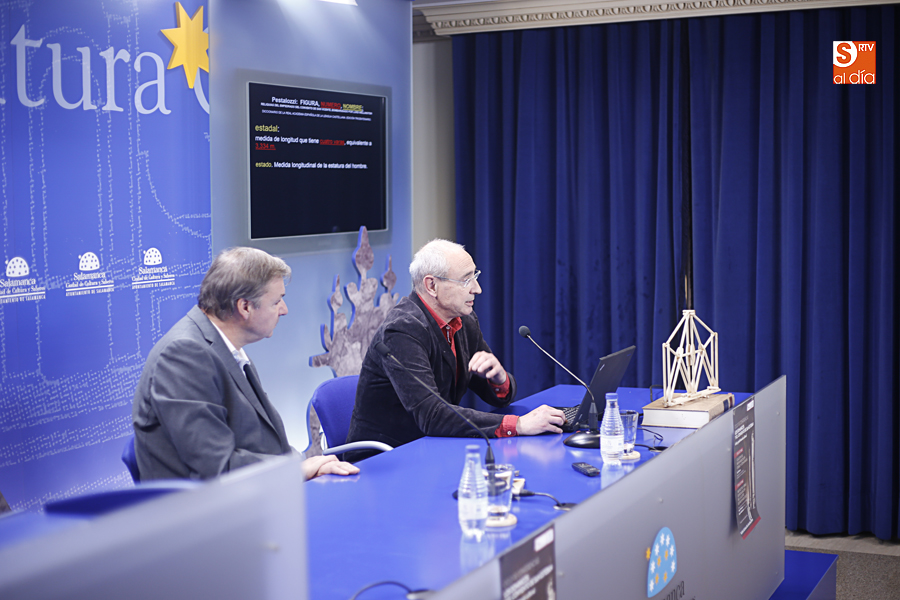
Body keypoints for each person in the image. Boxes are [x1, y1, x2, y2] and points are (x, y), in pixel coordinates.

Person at [132, 247, 358, 481]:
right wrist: (297, 469)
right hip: (206, 512)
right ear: (245, 307)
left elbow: (266, 441)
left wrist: (307, 463)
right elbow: (215, 467)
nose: (284, 310)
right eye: (277, 301)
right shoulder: (183, 355)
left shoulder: (224, 346)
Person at [345, 239, 565, 461]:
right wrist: (518, 424)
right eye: (465, 280)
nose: (477, 289)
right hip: (384, 460)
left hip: (433, 448)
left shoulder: (463, 321)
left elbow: (498, 398)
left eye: (475, 277)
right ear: (431, 286)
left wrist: (498, 379)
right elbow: (431, 414)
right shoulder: (402, 330)